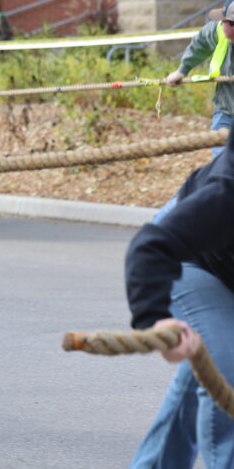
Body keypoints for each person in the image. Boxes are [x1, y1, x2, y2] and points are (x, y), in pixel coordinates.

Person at [124, 127, 234, 468]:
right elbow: (151, 248)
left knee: (208, 361)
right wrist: (155, 322)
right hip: (189, 260)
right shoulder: (227, 193)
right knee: (228, 370)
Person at [165, 0, 234, 157]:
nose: (228, 36)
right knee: (222, 162)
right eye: (225, 25)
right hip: (226, 111)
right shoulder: (217, 30)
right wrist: (182, 70)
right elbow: (199, 45)